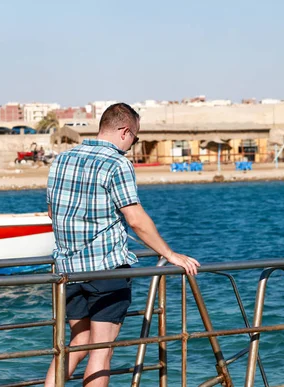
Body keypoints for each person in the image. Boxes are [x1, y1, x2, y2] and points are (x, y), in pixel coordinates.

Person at [44, 102, 200, 387]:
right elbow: (136, 219)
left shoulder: (62, 160)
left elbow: (54, 214)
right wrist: (170, 254)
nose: (132, 145)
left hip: (68, 270)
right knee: (101, 352)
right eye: (136, 138)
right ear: (125, 131)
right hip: (107, 271)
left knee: (75, 344)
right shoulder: (117, 163)